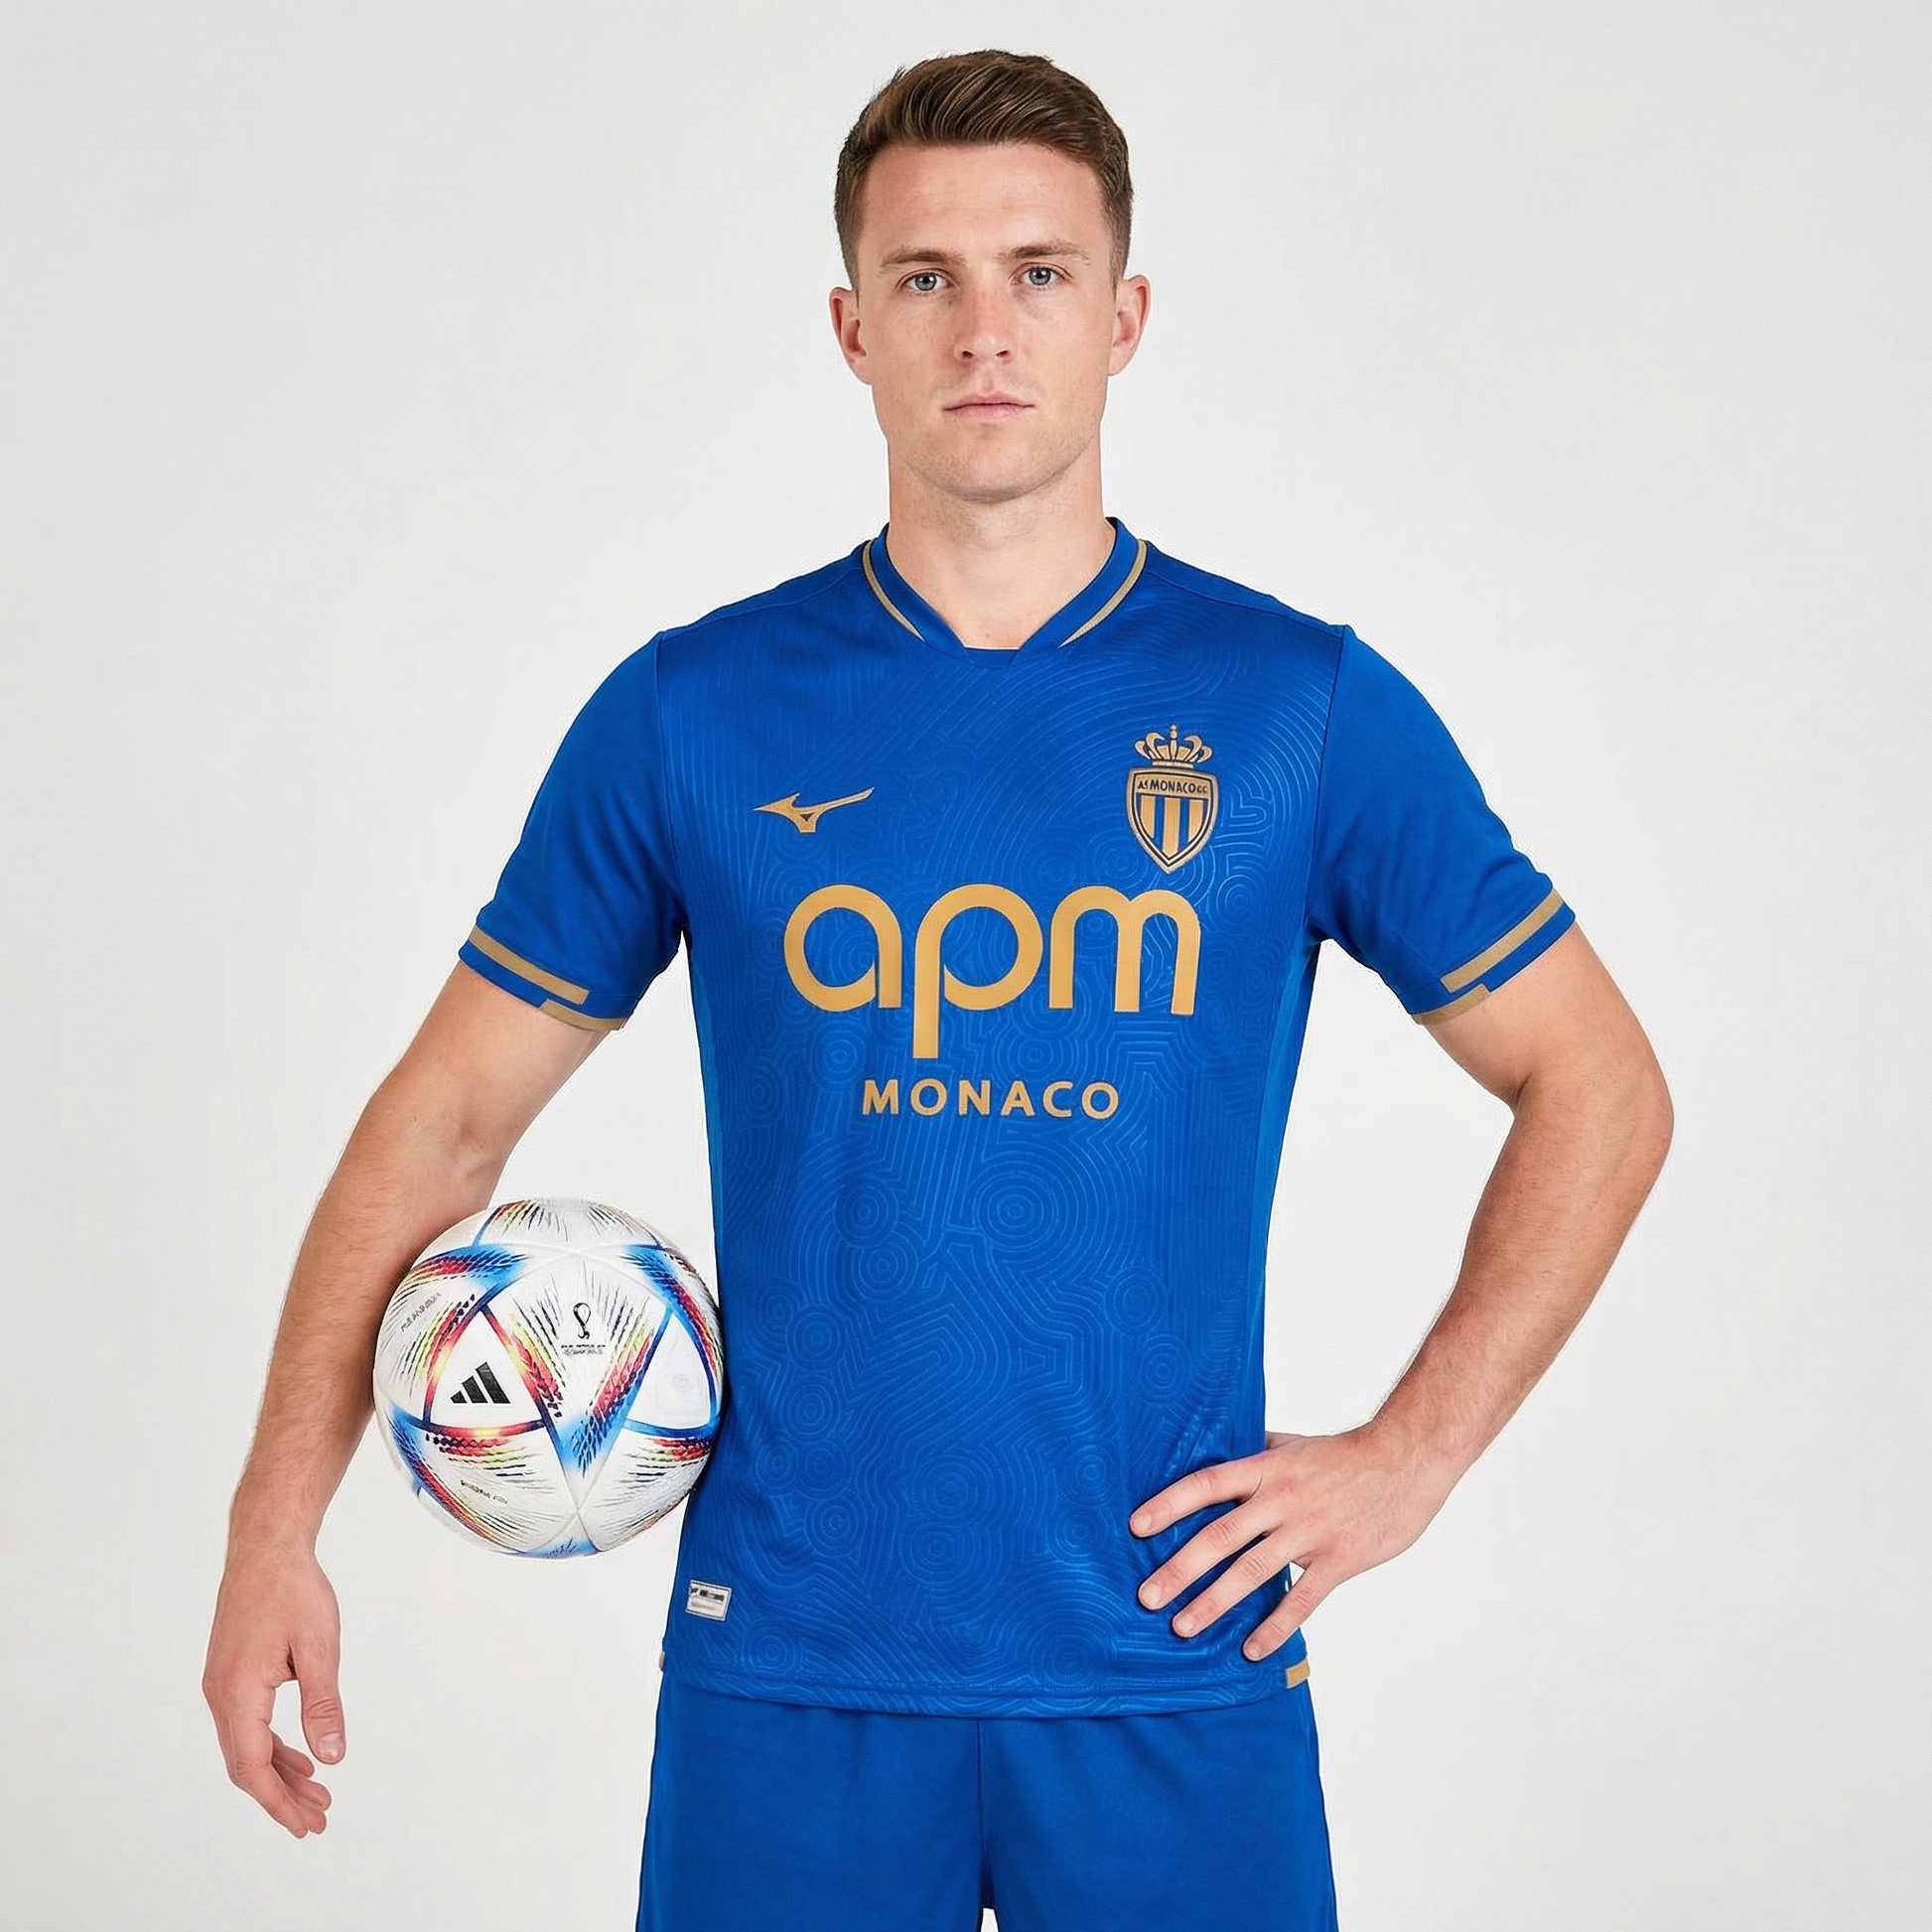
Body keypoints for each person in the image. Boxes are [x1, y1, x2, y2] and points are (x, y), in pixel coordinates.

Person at [204, 49, 1672, 1932]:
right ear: (851, 326)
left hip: (1173, 1657)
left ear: (1123, 318)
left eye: (1039, 272)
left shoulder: (1297, 711)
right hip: (791, 1662)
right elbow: (445, 1118)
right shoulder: (695, 713)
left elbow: (1598, 1083)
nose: (985, 329)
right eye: (926, 277)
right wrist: (272, 1525)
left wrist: (1411, 1456)